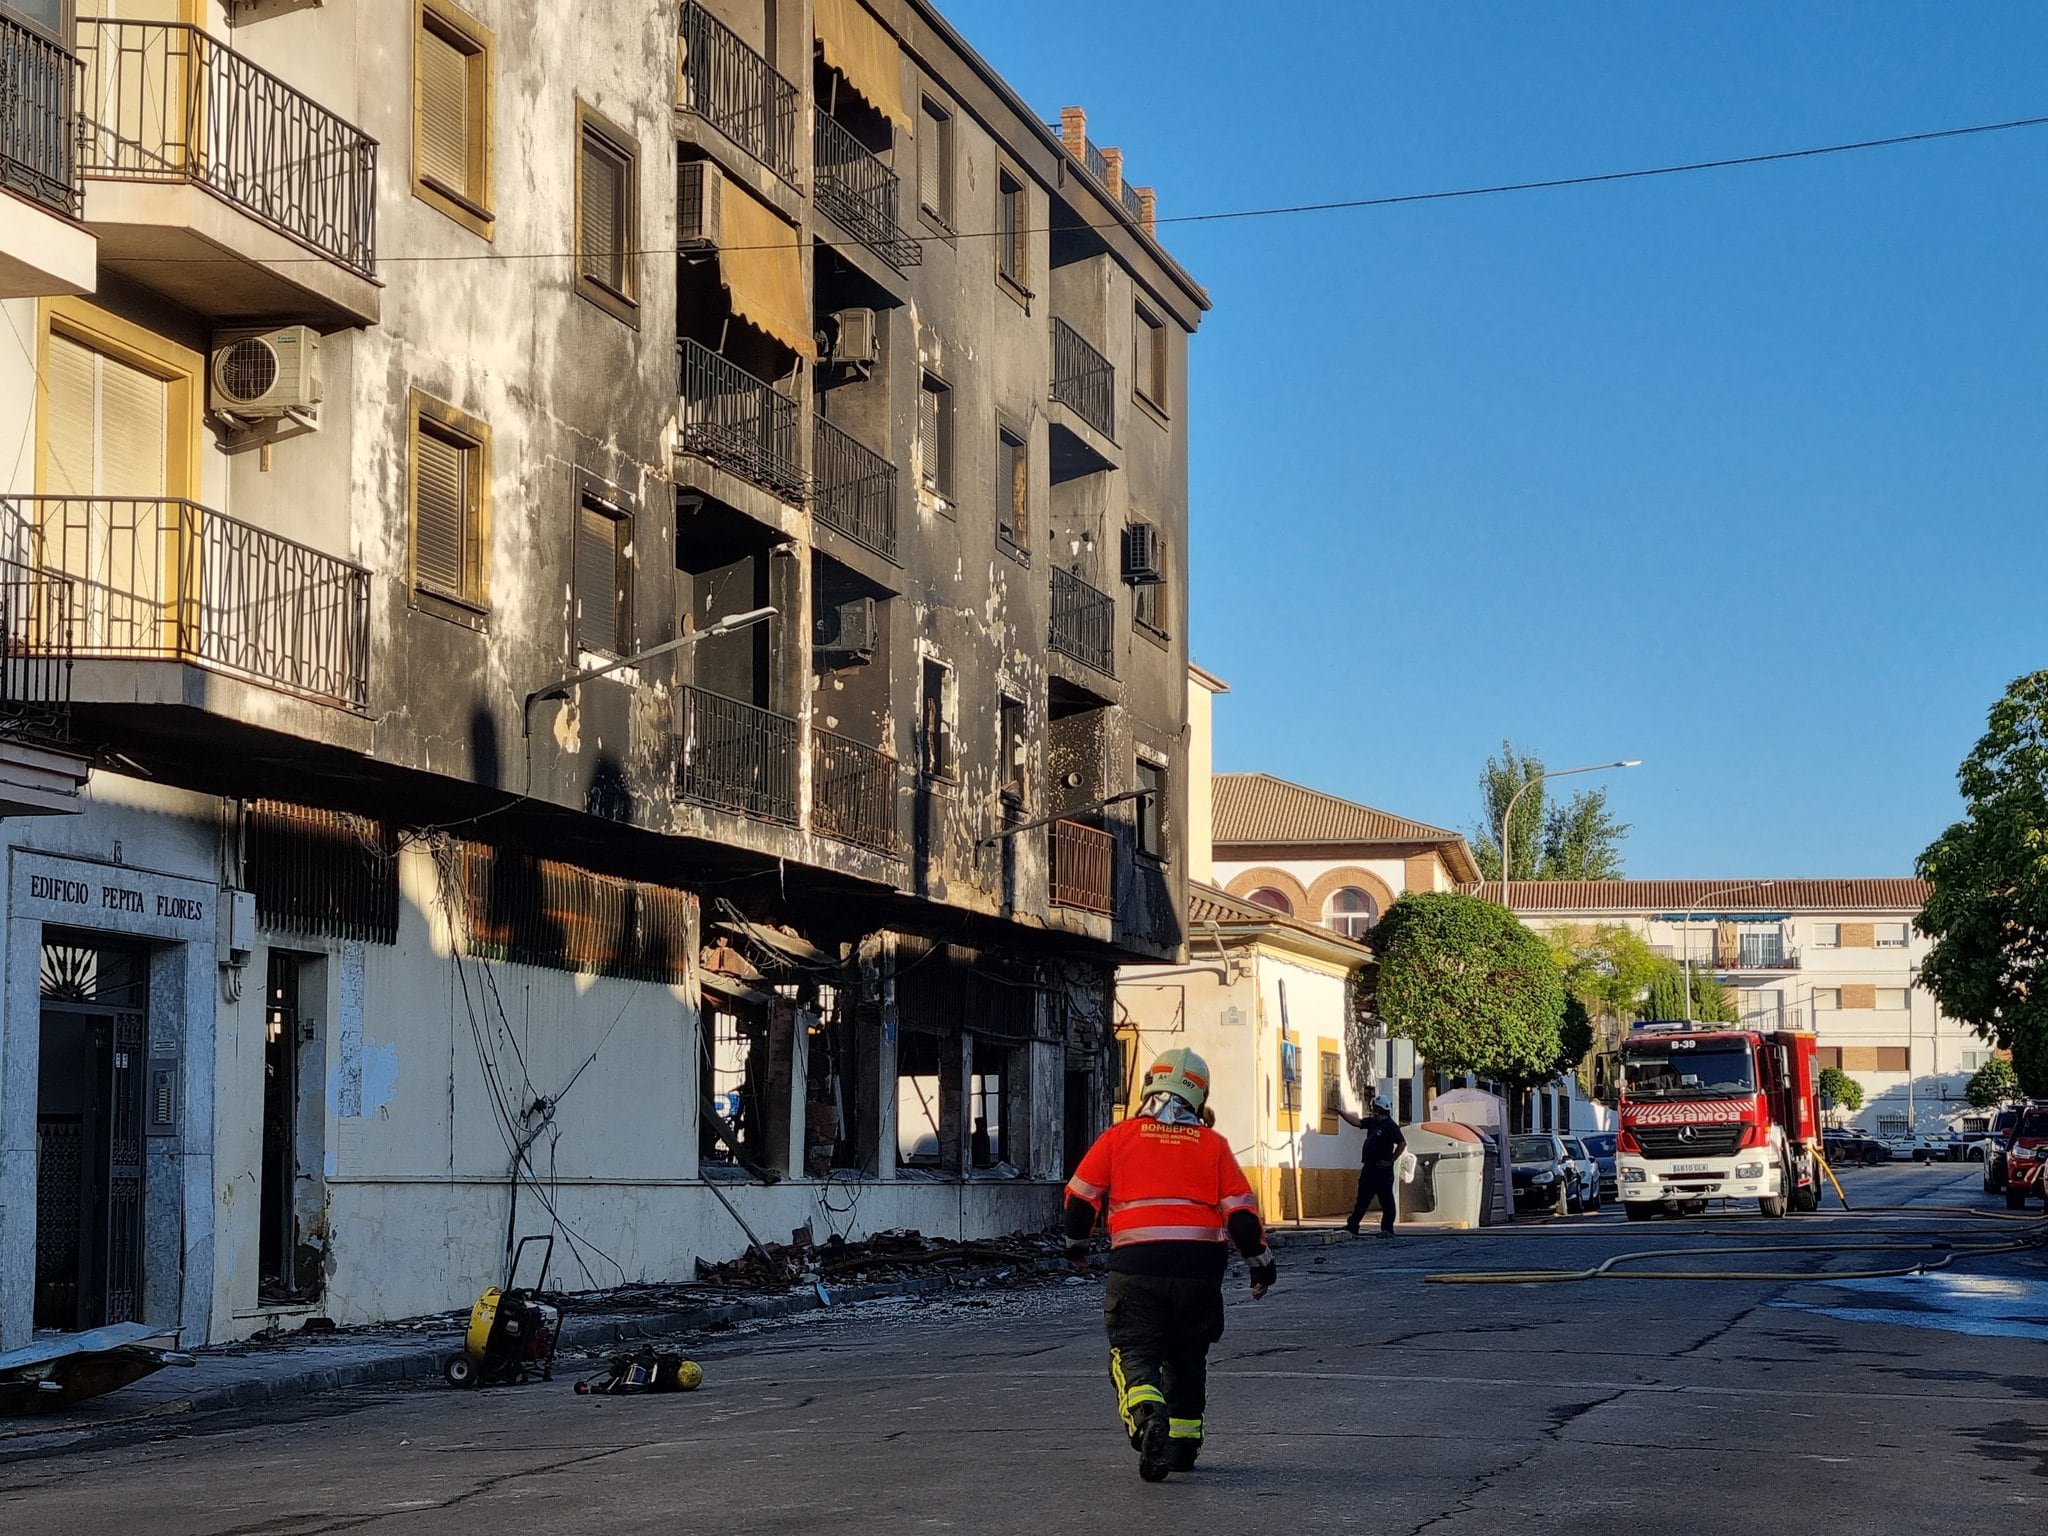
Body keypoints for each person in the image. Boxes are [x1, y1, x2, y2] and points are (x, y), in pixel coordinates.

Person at [1064, 1048, 1276, 1482]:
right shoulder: (1213, 1145)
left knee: (1134, 1353)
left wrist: (1076, 1248)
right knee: (1187, 1359)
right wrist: (1261, 1266)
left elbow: (1081, 1201)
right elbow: (1240, 1217)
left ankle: (1147, 1417)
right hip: (1200, 1272)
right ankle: (1181, 1447)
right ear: (1201, 1096)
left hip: (1137, 1266)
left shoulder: (1118, 1138)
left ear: (1148, 1087)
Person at [1340, 1098, 1407, 1236]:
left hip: (1382, 1170)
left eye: (1374, 1107)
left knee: (1386, 1200)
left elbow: (1402, 1143)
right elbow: (1356, 1122)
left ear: (1379, 1109)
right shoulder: (1372, 1123)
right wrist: (1340, 1112)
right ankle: (1352, 1225)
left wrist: (1391, 1161)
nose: (1372, 1110)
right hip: (1369, 1168)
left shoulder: (1390, 1126)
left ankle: (1387, 1229)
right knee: (1362, 1199)